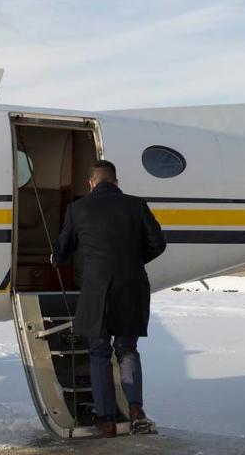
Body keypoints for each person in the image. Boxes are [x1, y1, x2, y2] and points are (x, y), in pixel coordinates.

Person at [52, 160, 166, 438]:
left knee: (99, 352)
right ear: (116, 182)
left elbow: (63, 250)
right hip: (132, 287)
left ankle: (105, 419)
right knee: (127, 349)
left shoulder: (78, 209)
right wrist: (133, 262)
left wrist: (57, 258)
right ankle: (136, 408)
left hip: (96, 290)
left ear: (91, 183)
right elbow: (158, 243)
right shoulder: (137, 205)